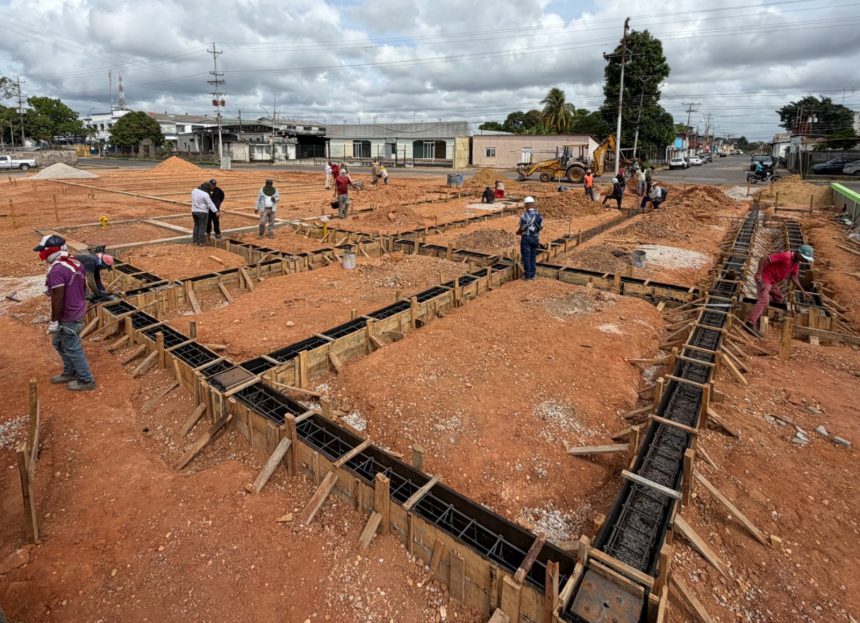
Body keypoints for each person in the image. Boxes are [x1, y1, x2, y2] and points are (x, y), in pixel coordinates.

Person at [34, 235, 96, 391]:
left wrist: (54, 321)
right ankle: (71, 371)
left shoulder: (57, 270)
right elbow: (83, 287)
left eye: (43, 251)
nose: (41, 255)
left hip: (68, 314)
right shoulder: (75, 262)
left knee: (72, 347)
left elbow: (58, 297)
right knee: (58, 343)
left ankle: (86, 380)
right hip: (76, 310)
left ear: (51, 250)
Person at [746, 244, 814, 332]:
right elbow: (763, 258)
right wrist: (759, 273)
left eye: (806, 259)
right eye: (804, 258)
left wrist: (803, 291)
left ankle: (765, 312)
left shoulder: (796, 263)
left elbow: (794, 277)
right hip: (764, 278)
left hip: (772, 282)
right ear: (799, 253)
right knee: (764, 300)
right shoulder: (786, 256)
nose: (804, 260)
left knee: (780, 298)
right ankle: (750, 323)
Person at [516, 196, 543, 281]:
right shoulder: (539, 215)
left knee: (526, 257)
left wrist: (518, 232)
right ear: (533, 204)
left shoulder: (524, 216)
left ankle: (527, 276)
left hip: (526, 238)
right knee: (533, 256)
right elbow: (541, 226)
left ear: (527, 205)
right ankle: (533, 275)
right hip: (535, 238)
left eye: (525, 204)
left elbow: (522, 228)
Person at [191, 181, 217, 246]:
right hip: (202, 212)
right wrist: (216, 211)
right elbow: (210, 203)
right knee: (202, 227)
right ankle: (201, 242)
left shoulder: (194, 190)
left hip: (194, 211)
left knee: (196, 226)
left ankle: (194, 241)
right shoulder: (205, 194)